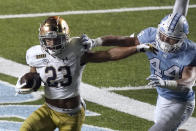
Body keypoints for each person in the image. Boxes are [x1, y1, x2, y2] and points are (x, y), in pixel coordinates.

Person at [15, 16, 156, 131]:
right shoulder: (34, 54)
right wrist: (25, 82)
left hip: (71, 114)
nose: (51, 43)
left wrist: (136, 48)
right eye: (47, 39)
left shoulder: (75, 48)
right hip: (48, 110)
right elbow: (33, 76)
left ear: (65, 37)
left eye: (55, 38)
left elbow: (108, 54)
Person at [82, 13, 196, 131]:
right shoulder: (151, 36)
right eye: (162, 35)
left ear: (182, 38)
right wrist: (95, 42)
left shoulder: (191, 51)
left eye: (171, 39)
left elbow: (187, 81)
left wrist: (165, 83)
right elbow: (124, 41)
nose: (165, 41)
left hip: (181, 102)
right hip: (162, 97)